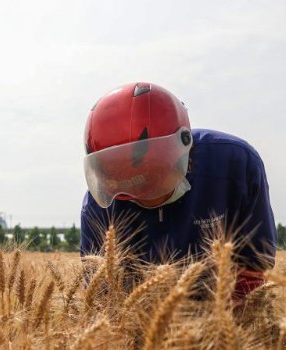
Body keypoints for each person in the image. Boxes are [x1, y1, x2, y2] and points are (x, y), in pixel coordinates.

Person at [80, 82, 276, 300]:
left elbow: (253, 268)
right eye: (122, 180)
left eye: (151, 176)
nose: (142, 194)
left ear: (184, 146)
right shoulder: (99, 204)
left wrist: (227, 313)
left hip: (222, 308)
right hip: (140, 315)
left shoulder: (235, 164)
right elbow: (102, 298)